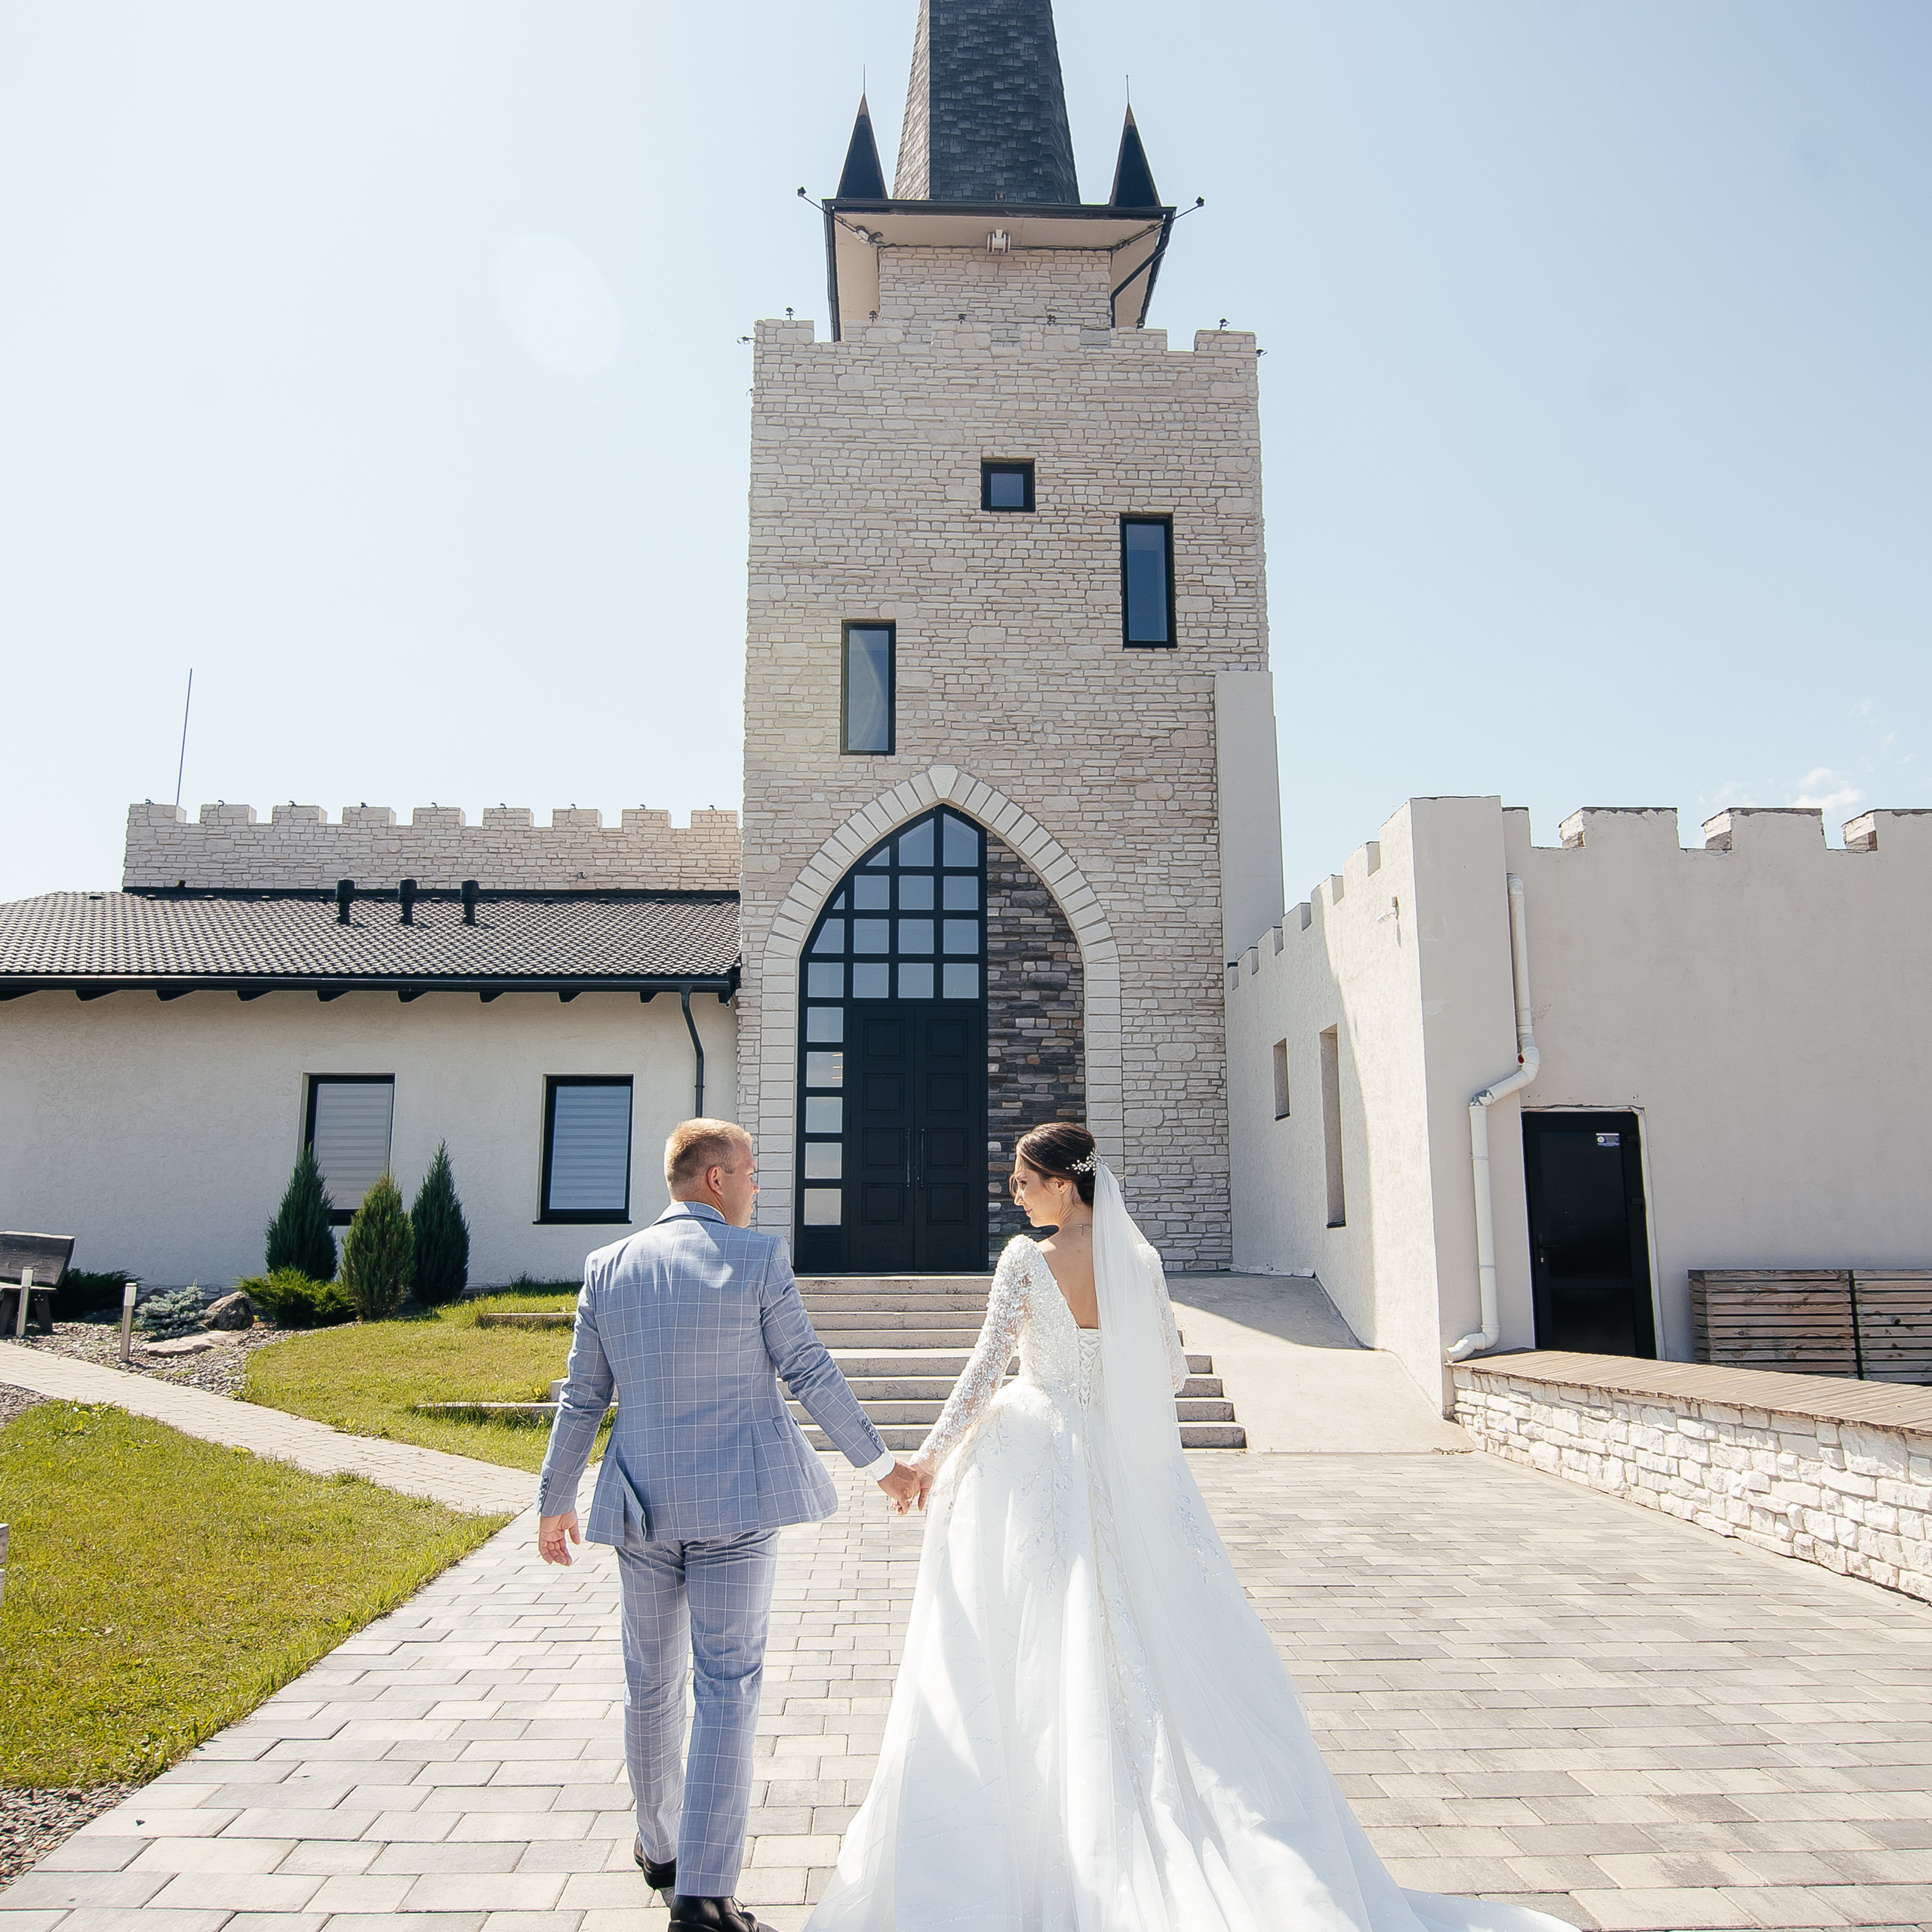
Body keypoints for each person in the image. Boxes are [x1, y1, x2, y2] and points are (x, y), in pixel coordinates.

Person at [808, 1121, 1578, 1932]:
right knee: (1136, 1614)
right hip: (1117, 1454)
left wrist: (927, 1459)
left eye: (1025, 1180)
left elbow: (985, 1366)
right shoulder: (1137, 1260)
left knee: (1031, 1625)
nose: (1015, 1193)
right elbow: (1169, 1371)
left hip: (1032, 1451)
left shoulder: (1026, 1261)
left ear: (1063, 1183)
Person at [535, 1118, 921, 1932]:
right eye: (749, 1173)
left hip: (641, 1504)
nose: (755, 1187)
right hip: (737, 1507)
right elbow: (808, 1368)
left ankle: (660, 1850)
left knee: (649, 1684)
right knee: (726, 1687)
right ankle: (705, 1898)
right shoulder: (757, 1259)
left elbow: (582, 1395)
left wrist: (554, 1498)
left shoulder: (608, 1265)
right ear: (717, 1179)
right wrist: (883, 1465)